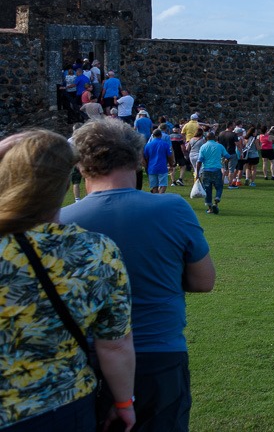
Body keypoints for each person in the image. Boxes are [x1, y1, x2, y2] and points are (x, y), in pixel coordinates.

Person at [63, 118, 215, 432]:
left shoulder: (61, 221)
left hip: (84, 359)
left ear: (80, 164)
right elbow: (203, 281)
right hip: (158, 354)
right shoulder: (173, 208)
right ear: (138, 158)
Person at [0, 129, 136, 431]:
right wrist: (124, 402)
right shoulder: (94, 250)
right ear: (64, 184)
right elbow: (115, 345)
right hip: (64, 404)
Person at [198, 131, 230, 214]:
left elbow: (199, 160)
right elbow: (228, 156)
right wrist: (225, 162)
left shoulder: (203, 147)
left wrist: (197, 172)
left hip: (206, 170)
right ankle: (217, 199)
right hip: (217, 170)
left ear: (206, 138)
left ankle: (210, 208)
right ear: (215, 137)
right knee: (219, 187)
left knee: (207, 189)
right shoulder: (219, 146)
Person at [143, 128, 175, 194]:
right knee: (163, 185)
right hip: (162, 167)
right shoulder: (165, 144)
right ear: (161, 135)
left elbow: (145, 157)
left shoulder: (148, 145)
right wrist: (171, 165)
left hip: (151, 168)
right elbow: (169, 156)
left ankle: (156, 198)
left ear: (153, 135)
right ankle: (160, 196)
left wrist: (146, 166)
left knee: (154, 186)